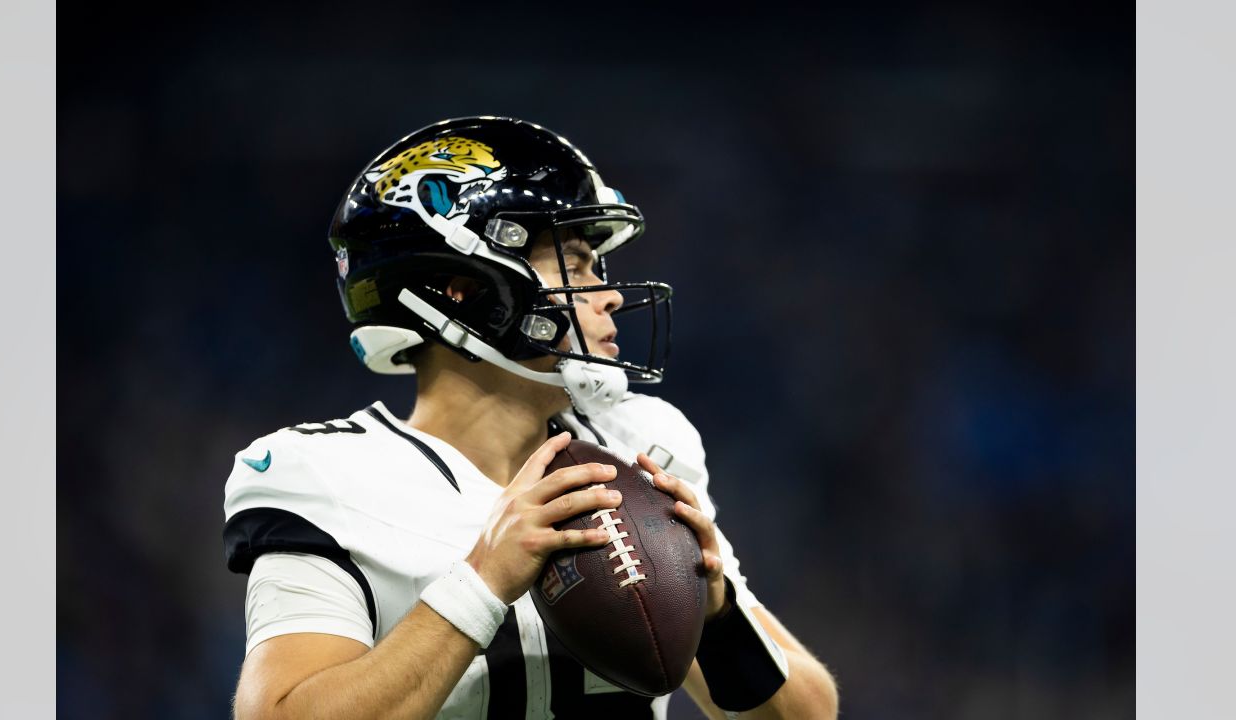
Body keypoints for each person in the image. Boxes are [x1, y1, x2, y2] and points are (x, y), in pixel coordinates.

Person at [223, 117, 838, 719]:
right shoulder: (324, 476)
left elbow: (811, 713)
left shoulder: (642, 445)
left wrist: (720, 616)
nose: (610, 292)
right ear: (463, 287)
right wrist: (480, 583)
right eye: (575, 259)